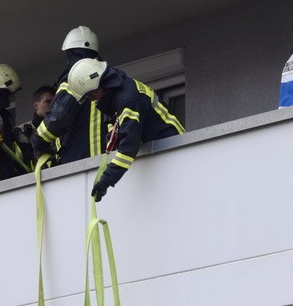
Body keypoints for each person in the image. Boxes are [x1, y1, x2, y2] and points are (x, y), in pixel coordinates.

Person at [66, 58, 185, 202]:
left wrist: (106, 180)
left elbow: (129, 146)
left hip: (173, 147)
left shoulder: (127, 98)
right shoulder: (115, 94)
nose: (92, 100)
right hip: (160, 148)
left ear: (98, 83)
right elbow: (114, 122)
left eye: (91, 94)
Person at [31, 26, 109, 164]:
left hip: (78, 162)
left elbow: (58, 118)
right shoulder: (107, 80)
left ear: (70, 54)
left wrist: (38, 141)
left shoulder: (73, 80)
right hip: (107, 160)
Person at [14, 85, 55, 166]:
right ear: (36, 105)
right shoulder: (21, 132)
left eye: (54, 102)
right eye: (48, 102)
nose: (52, 106)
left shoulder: (61, 129)